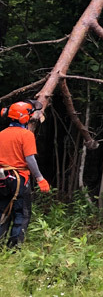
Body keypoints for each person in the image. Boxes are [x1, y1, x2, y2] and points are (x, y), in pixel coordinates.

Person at [0, 100, 51, 248]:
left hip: (2, 178)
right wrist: (40, 178)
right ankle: (14, 247)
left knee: (3, 211)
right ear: (23, 117)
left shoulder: (1, 134)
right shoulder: (26, 135)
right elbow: (30, 159)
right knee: (21, 213)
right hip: (18, 179)